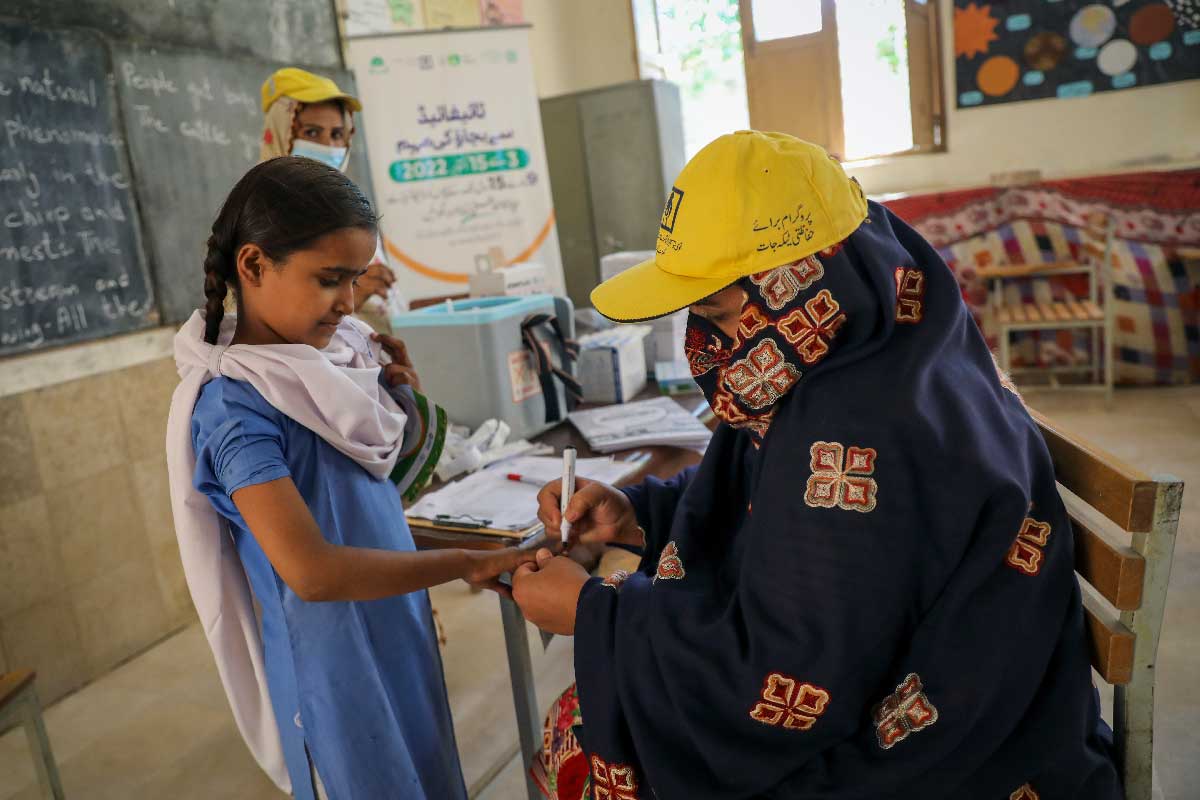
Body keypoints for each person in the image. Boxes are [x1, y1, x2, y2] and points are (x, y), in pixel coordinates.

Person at [512, 131, 1120, 800]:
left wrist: (595, 612)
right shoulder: (893, 339)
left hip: (930, 759)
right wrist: (639, 515)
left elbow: (785, 684)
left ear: (796, 285)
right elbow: (778, 501)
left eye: (713, 310)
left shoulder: (856, 428)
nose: (702, 340)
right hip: (977, 700)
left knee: (576, 734)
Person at [165, 156, 533, 799]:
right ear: (253, 266)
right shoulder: (235, 408)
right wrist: (462, 563)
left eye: (357, 278)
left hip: (393, 618)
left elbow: (371, 495)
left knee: (428, 769)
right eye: (330, 279)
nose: (350, 300)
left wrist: (403, 405)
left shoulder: (333, 362)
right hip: (330, 657)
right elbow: (313, 572)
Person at [260, 67, 399, 332]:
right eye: (312, 133)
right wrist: (354, 295)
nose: (328, 147)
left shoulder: (346, 207)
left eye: (337, 134)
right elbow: (267, 325)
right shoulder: (262, 215)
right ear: (279, 132)